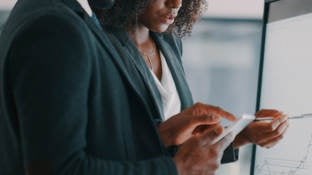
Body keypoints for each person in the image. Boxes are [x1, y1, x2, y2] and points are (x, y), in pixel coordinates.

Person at [0, 0, 240, 174]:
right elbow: (59, 168)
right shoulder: (56, 27)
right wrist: (177, 169)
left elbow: (94, 139)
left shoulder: (57, 15)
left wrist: (164, 134)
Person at [96, 0, 290, 158]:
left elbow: (180, 150)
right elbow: (108, 146)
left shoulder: (170, 43)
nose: (176, 3)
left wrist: (243, 135)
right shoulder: (98, 45)